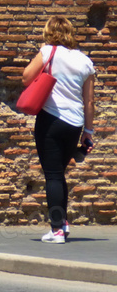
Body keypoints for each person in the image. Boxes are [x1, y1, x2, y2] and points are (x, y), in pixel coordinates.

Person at [21, 15, 96, 244]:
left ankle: (56, 230)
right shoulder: (85, 61)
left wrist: (43, 62)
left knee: (52, 175)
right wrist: (88, 133)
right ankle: (62, 223)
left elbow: (26, 78)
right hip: (74, 124)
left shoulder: (48, 52)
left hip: (51, 120)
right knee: (59, 174)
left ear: (49, 32)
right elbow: (90, 102)